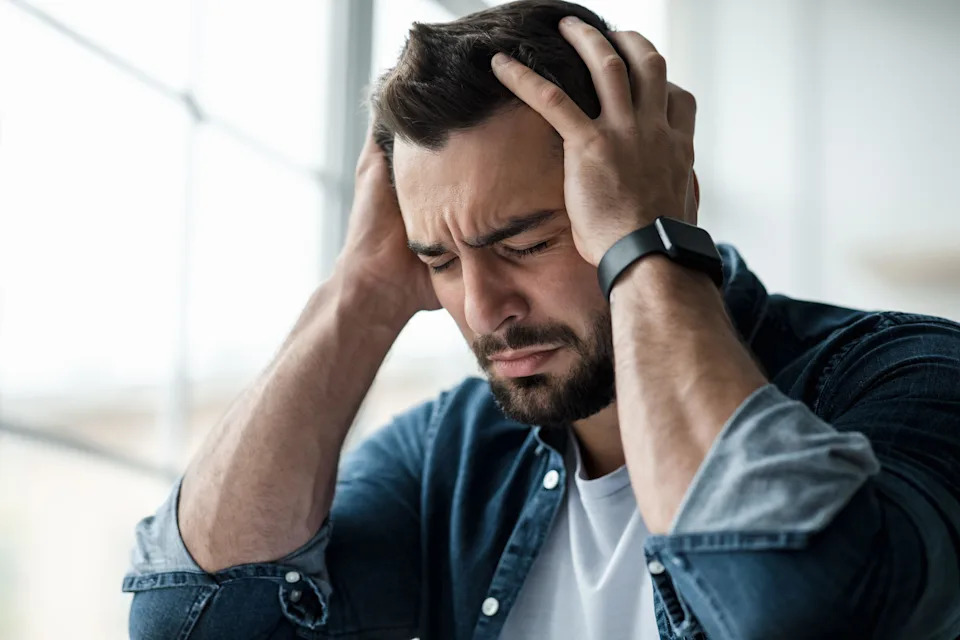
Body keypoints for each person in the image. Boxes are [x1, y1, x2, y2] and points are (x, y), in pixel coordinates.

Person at [122, 1, 960, 638]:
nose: (484, 310)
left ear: (660, 194)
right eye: (441, 262)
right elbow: (200, 618)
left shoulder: (912, 374)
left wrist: (649, 243)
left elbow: (788, 596)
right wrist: (361, 294)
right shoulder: (448, 454)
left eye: (525, 241)